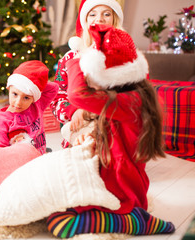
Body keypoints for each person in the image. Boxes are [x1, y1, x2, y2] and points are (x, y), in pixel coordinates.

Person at [46, 23, 175, 238]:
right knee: (55, 202)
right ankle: (133, 217)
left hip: (121, 190)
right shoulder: (125, 98)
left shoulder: (132, 101)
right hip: (109, 179)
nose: (88, 84)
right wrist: (91, 140)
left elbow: (77, 96)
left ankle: (136, 221)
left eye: (91, 78)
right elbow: (116, 137)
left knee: (58, 222)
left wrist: (76, 61)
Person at [50, 0, 124, 148]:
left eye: (107, 14)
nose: (99, 19)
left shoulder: (124, 57)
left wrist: (91, 110)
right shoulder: (71, 58)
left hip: (111, 126)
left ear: (114, 20)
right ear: (85, 21)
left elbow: (131, 98)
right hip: (78, 130)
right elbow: (57, 96)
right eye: (92, 14)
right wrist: (74, 111)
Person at [0, 60, 58, 154]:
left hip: (40, 155)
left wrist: (37, 84)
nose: (18, 103)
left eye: (26, 97)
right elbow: (1, 151)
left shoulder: (37, 105)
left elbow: (54, 88)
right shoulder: (1, 120)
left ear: (33, 98)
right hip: (19, 162)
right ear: (9, 88)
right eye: (15, 94)